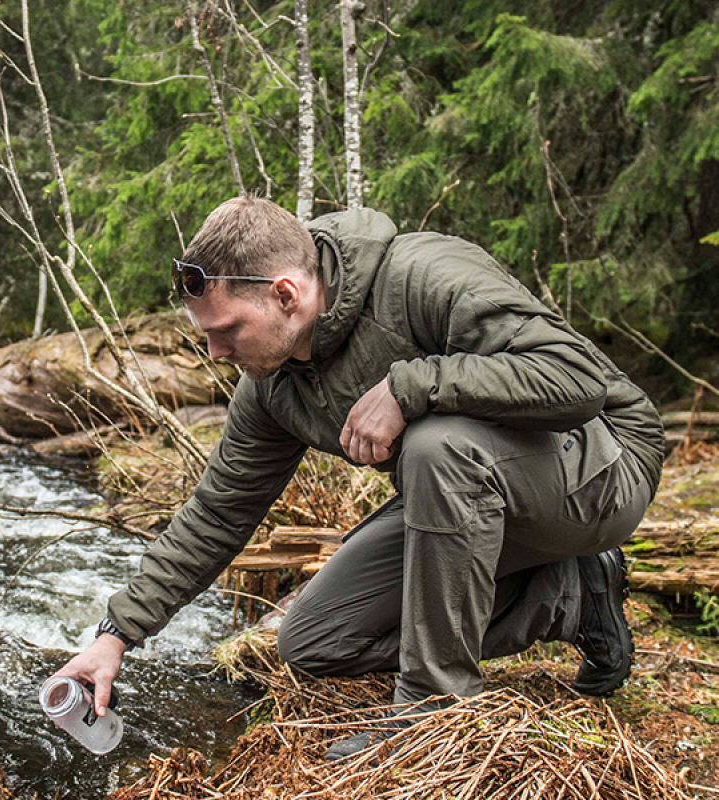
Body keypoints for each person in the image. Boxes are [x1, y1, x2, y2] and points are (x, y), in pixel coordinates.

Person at [55, 197, 664, 760]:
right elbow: (218, 513)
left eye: (226, 331)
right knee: (314, 642)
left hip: (603, 466)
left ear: (286, 296)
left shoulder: (423, 274)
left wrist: (412, 386)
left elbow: (575, 378)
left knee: (435, 445)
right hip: (480, 495)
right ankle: (571, 600)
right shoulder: (271, 386)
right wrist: (116, 635)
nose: (214, 353)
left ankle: (431, 714)